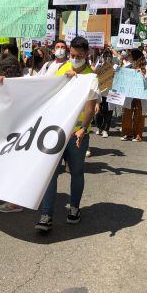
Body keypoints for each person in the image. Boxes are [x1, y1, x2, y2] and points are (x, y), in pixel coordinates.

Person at [35, 36, 99, 232]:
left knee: (76, 172)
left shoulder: (91, 77)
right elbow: (40, 90)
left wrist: (83, 129)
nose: (75, 58)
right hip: (56, 131)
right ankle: (46, 215)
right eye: (72, 55)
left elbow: (89, 107)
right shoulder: (61, 70)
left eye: (79, 56)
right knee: (50, 173)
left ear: (86, 55)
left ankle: (74, 208)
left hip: (77, 134)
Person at [0, 53, 26, 214]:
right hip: (20, 133)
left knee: (12, 165)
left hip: (12, 133)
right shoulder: (27, 83)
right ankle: (14, 198)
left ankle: (14, 201)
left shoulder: (7, 85)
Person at [121, 49, 147, 142]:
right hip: (129, 93)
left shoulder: (146, 67)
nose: (128, 57)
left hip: (140, 93)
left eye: (130, 56)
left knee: (139, 113)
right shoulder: (127, 66)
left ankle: (138, 134)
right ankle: (127, 133)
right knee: (127, 113)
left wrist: (142, 75)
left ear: (135, 57)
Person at [94, 46, 115, 137]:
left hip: (111, 92)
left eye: (109, 55)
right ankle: (99, 127)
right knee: (99, 113)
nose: (107, 56)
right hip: (100, 91)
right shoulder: (99, 63)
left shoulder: (115, 64)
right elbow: (94, 73)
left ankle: (106, 129)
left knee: (108, 112)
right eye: (105, 55)